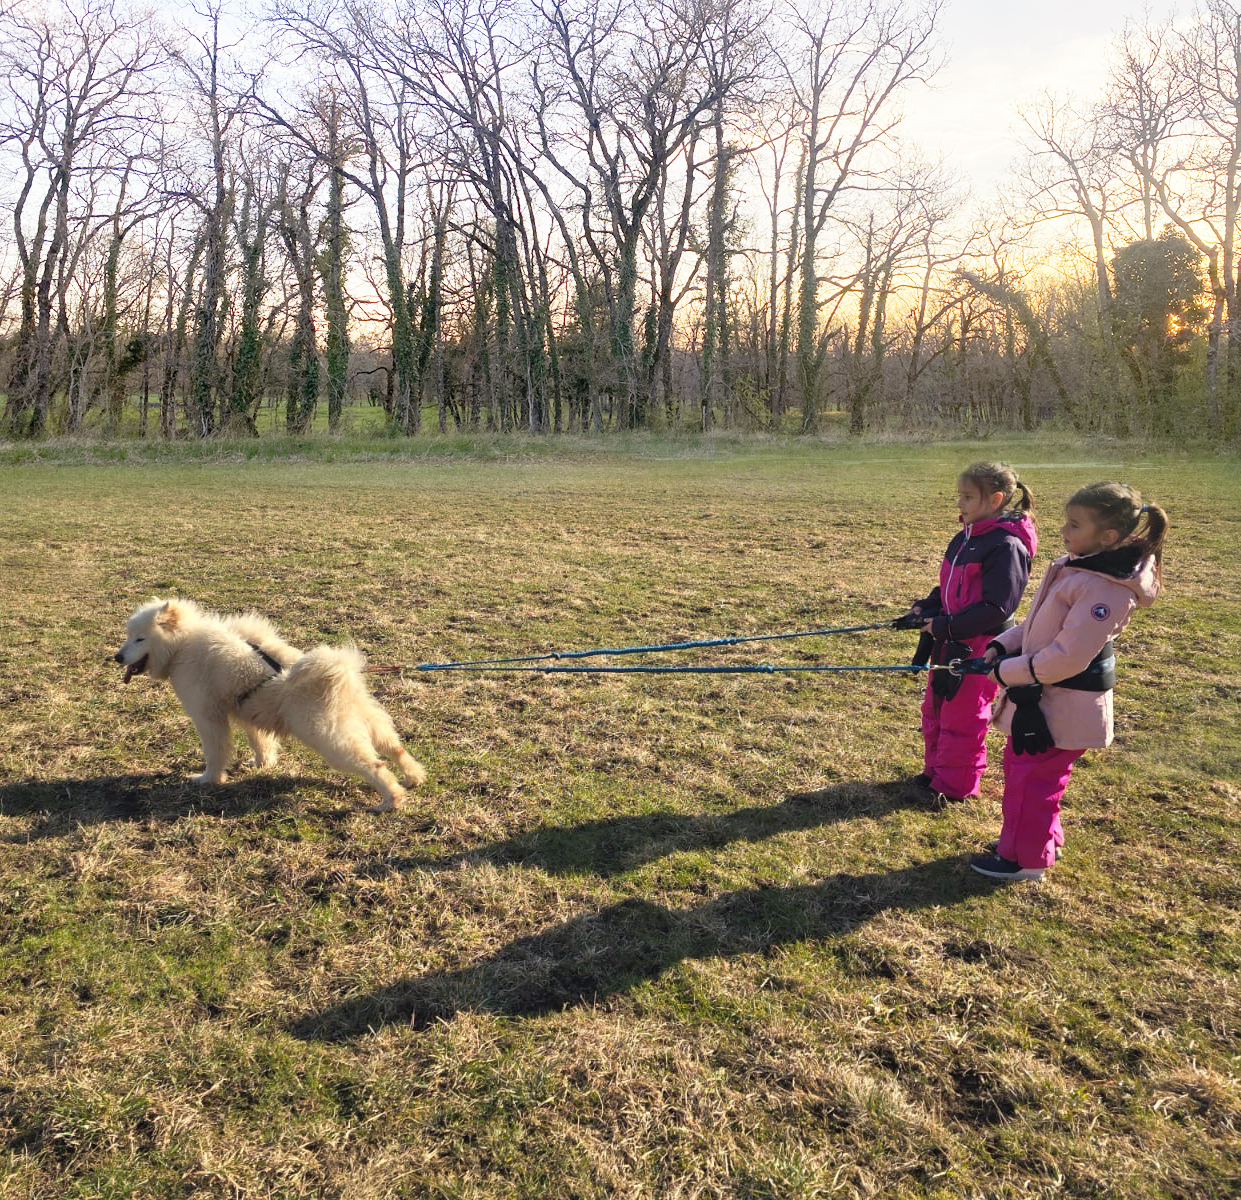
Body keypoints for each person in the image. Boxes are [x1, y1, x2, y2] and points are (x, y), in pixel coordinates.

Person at [969, 482, 1167, 882]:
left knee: (1031, 782)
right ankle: (1039, 838)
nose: (1064, 531)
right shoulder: (1079, 565)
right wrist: (1001, 645)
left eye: (1074, 525)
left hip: (1062, 705)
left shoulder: (1104, 589)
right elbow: (1037, 623)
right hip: (1044, 696)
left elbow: (1068, 656)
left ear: (1107, 537)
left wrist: (1006, 672)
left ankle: (1025, 860)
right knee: (1036, 778)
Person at [903, 462, 1038, 807]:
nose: (959, 503)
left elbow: (997, 607)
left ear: (994, 500)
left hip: (978, 647)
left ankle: (954, 786)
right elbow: (949, 586)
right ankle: (934, 772)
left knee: (963, 717)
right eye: (958, 496)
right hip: (949, 641)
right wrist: (927, 606)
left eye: (967, 497)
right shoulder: (966, 537)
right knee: (936, 709)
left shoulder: (1006, 546)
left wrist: (946, 626)